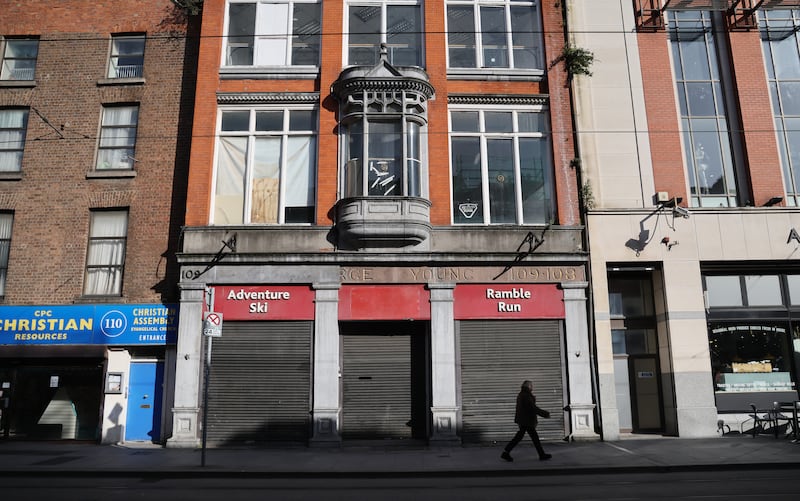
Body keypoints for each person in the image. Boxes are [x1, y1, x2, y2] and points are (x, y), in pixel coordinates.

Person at [501, 380, 552, 462]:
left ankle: (506, 453)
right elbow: (532, 408)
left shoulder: (523, 394)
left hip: (524, 420)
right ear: (528, 386)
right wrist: (545, 414)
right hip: (526, 421)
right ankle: (542, 455)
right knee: (534, 438)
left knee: (520, 437)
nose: (532, 387)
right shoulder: (525, 395)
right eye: (531, 385)